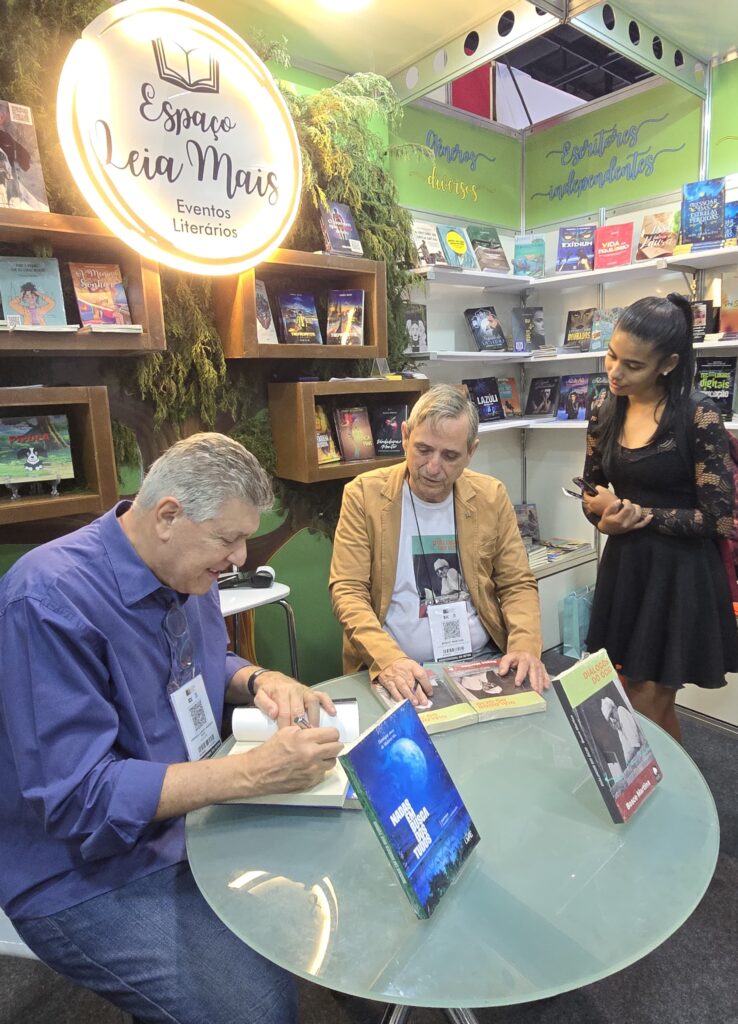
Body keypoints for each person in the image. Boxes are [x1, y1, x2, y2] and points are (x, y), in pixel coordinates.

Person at [0, 432, 343, 1024]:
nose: (240, 556)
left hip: (191, 819)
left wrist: (258, 680)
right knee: (255, 1011)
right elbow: (80, 799)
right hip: (82, 869)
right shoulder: (47, 598)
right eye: (228, 537)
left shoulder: (189, 570)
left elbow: (196, 667)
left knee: (340, 879)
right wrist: (250, 773)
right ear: (167, 515)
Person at [329, 384, 549, 704]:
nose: (433, 467)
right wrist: (390, 659)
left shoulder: (490, 496)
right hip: (397, 665)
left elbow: (516, 583)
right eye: (423, 450)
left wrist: (524, 648)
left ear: (471, 452)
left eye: (449, 456)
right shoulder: (364, 496)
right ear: (405, 436)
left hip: (483, 658)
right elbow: (347, 591)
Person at [581, 294, 738, 741]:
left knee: (647, 699)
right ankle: (669, 793)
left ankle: (657, 793)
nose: (615, 372)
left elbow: (718, 519)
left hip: (680, 575)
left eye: (633, 365)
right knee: (632, 691)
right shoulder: (603, 410)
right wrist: (604, 521)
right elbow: (591, 490)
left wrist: (638, 514)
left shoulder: (697, 414)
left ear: (667, 364)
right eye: (612, 356)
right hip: (627, 568)